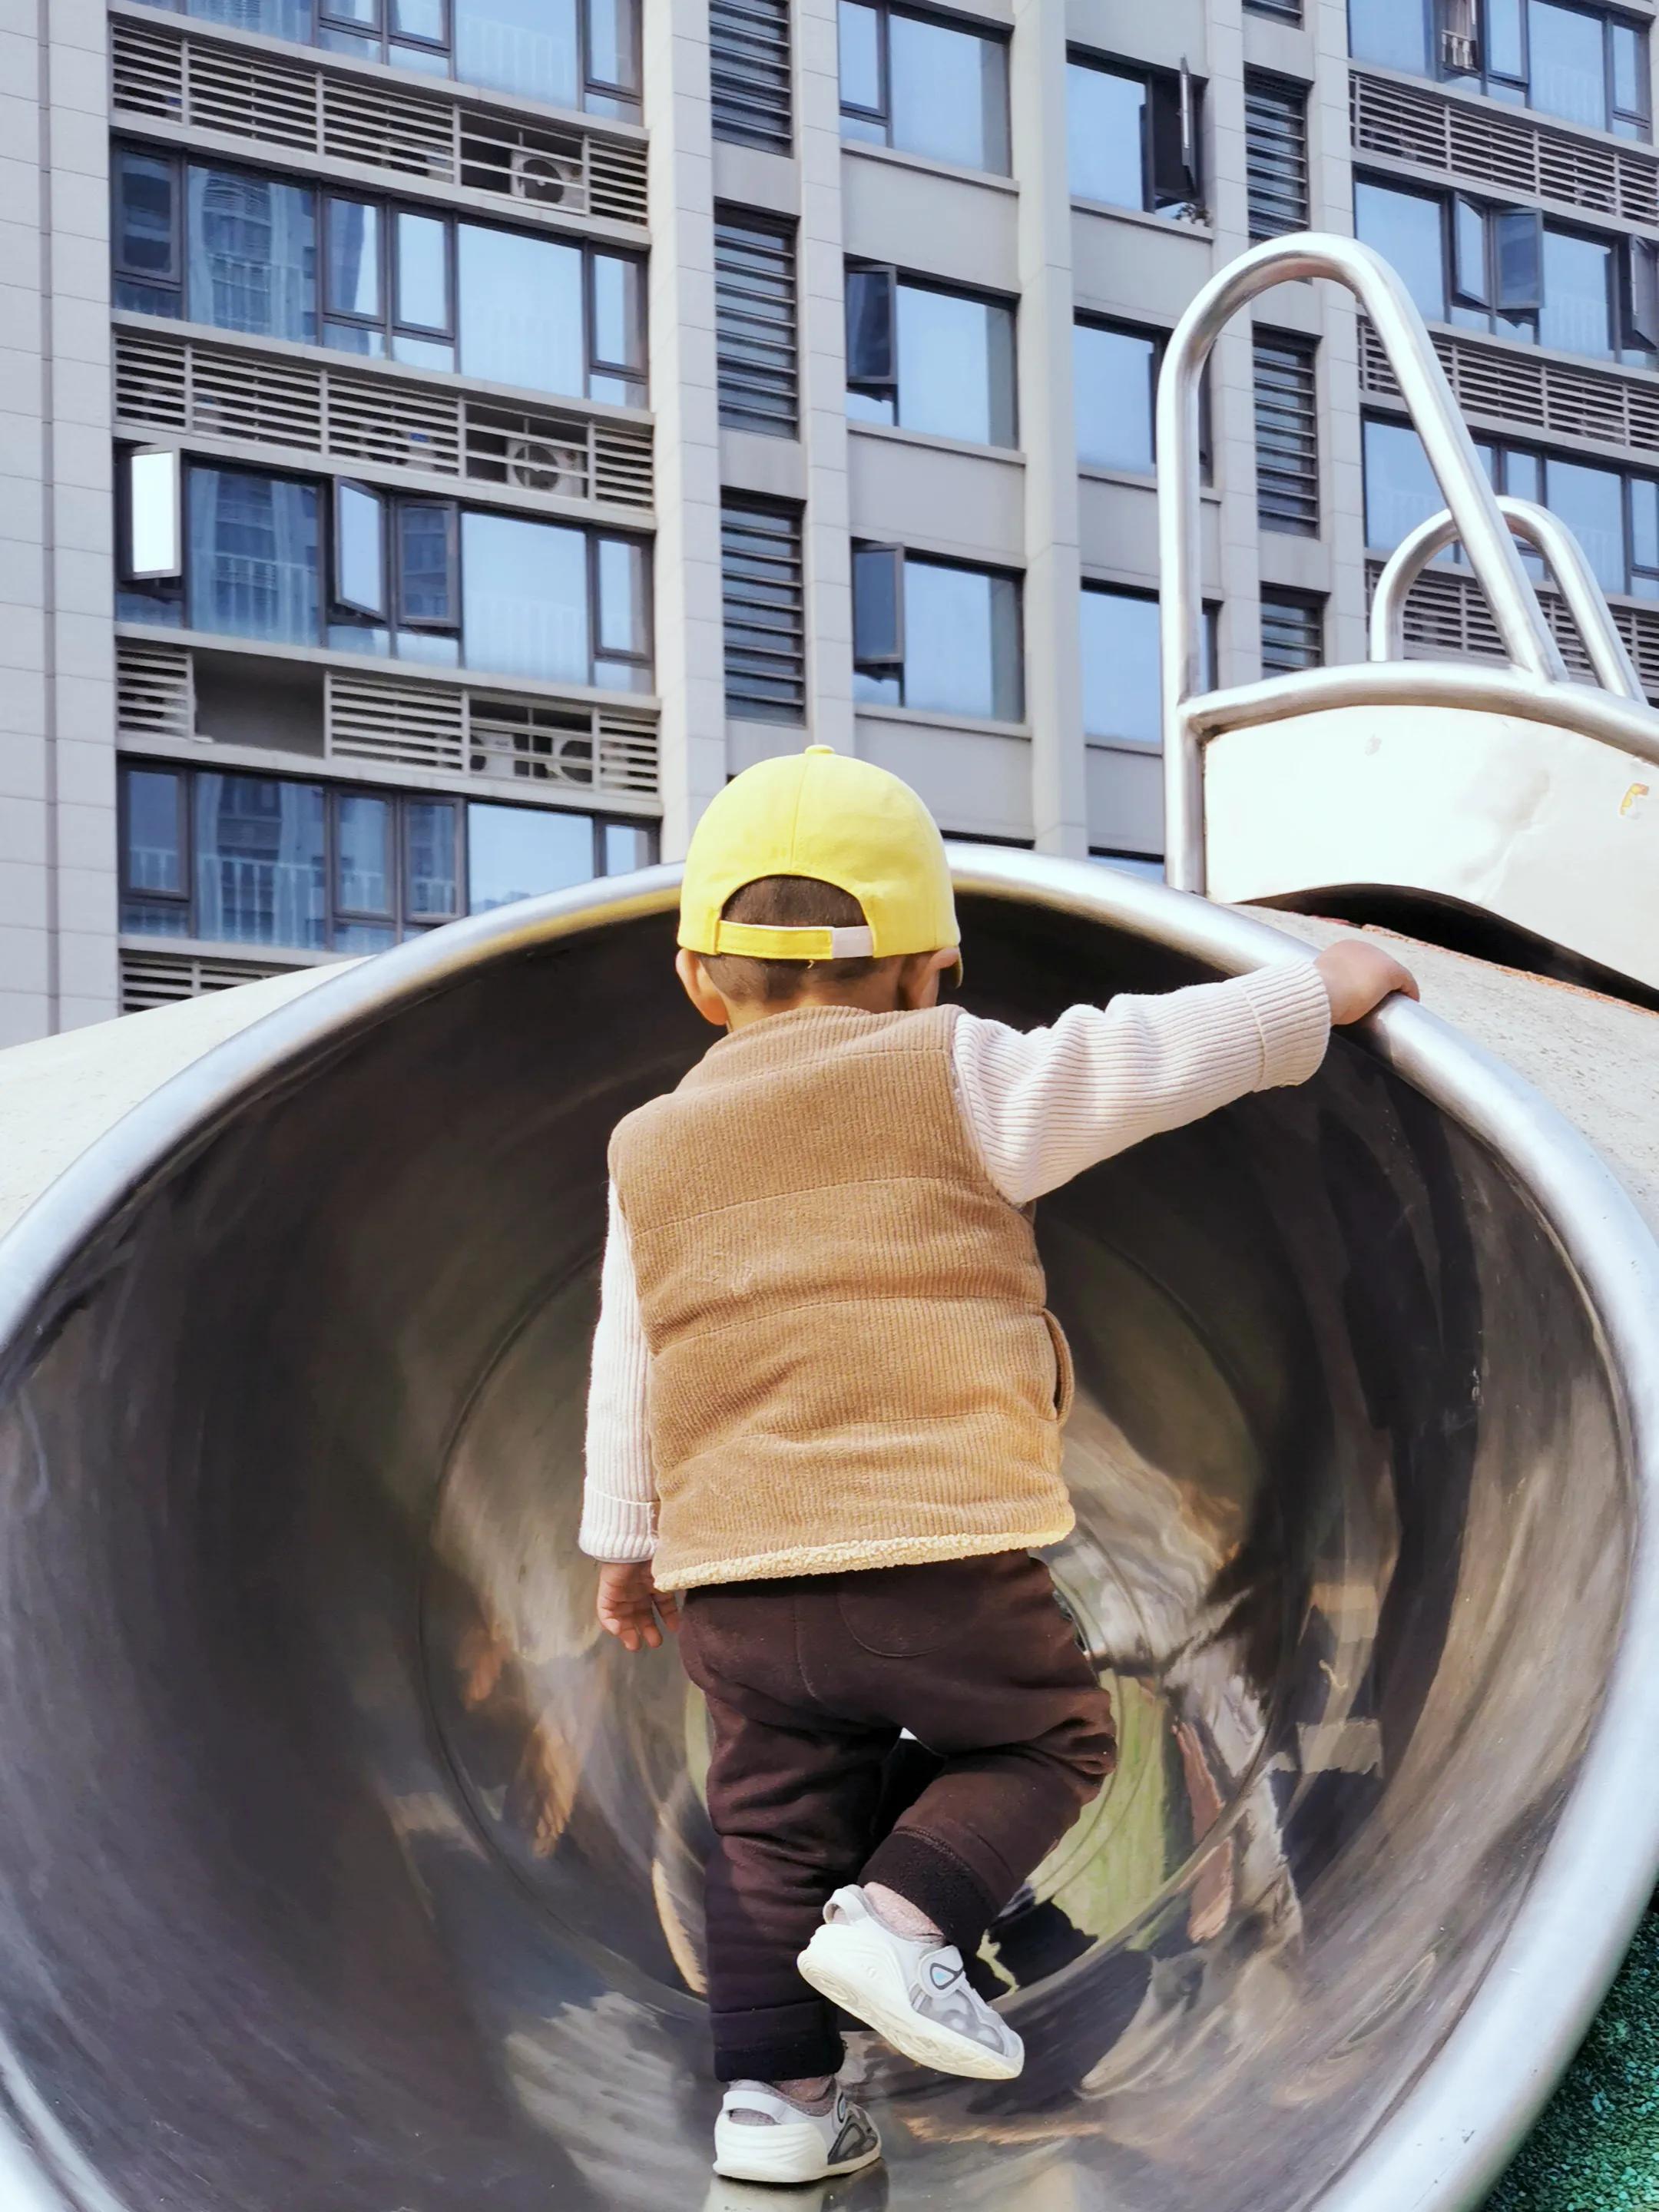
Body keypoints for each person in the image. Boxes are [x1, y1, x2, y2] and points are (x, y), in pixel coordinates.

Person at [579, 744, 1417, 2187]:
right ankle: (904, 1926)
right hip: (928, 1547)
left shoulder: (648, 1148)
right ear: (931, 970)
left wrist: (627, 1541)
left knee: (768, 1830)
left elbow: (630, 1352)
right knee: (1044, 1736)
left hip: (734, 1581)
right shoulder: (952, 1072)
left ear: (698, 979)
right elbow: (1137, 1059)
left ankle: (777, 2113)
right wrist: (1311, 996)